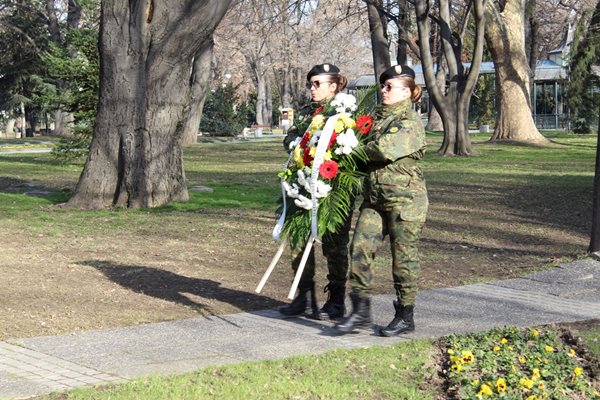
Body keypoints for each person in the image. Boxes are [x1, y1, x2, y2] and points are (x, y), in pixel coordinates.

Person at [335, 64, 428, 336]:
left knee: (403, 260)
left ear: (409, 93)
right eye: (383, 86)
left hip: (405, 202)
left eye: (391, 87)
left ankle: (405, 315)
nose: (384, 91)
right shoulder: (375, 121)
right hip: (374, 200)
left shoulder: (410, 123)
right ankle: (361, 312)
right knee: (360, 248)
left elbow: (383, 150)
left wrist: (348, 151)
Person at [279, 63, 353, 321]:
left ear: (333, 86)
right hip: (304, 182)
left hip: (334, 187)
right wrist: (300, 145)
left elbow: (353, 147)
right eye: (310, 83)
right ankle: (304, 295)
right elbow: (289, 138)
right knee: (299, 240)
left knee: (334, 245)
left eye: (317, 84)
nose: (312, 88)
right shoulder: (305, 113)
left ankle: (336, 300)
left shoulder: (347, 110)